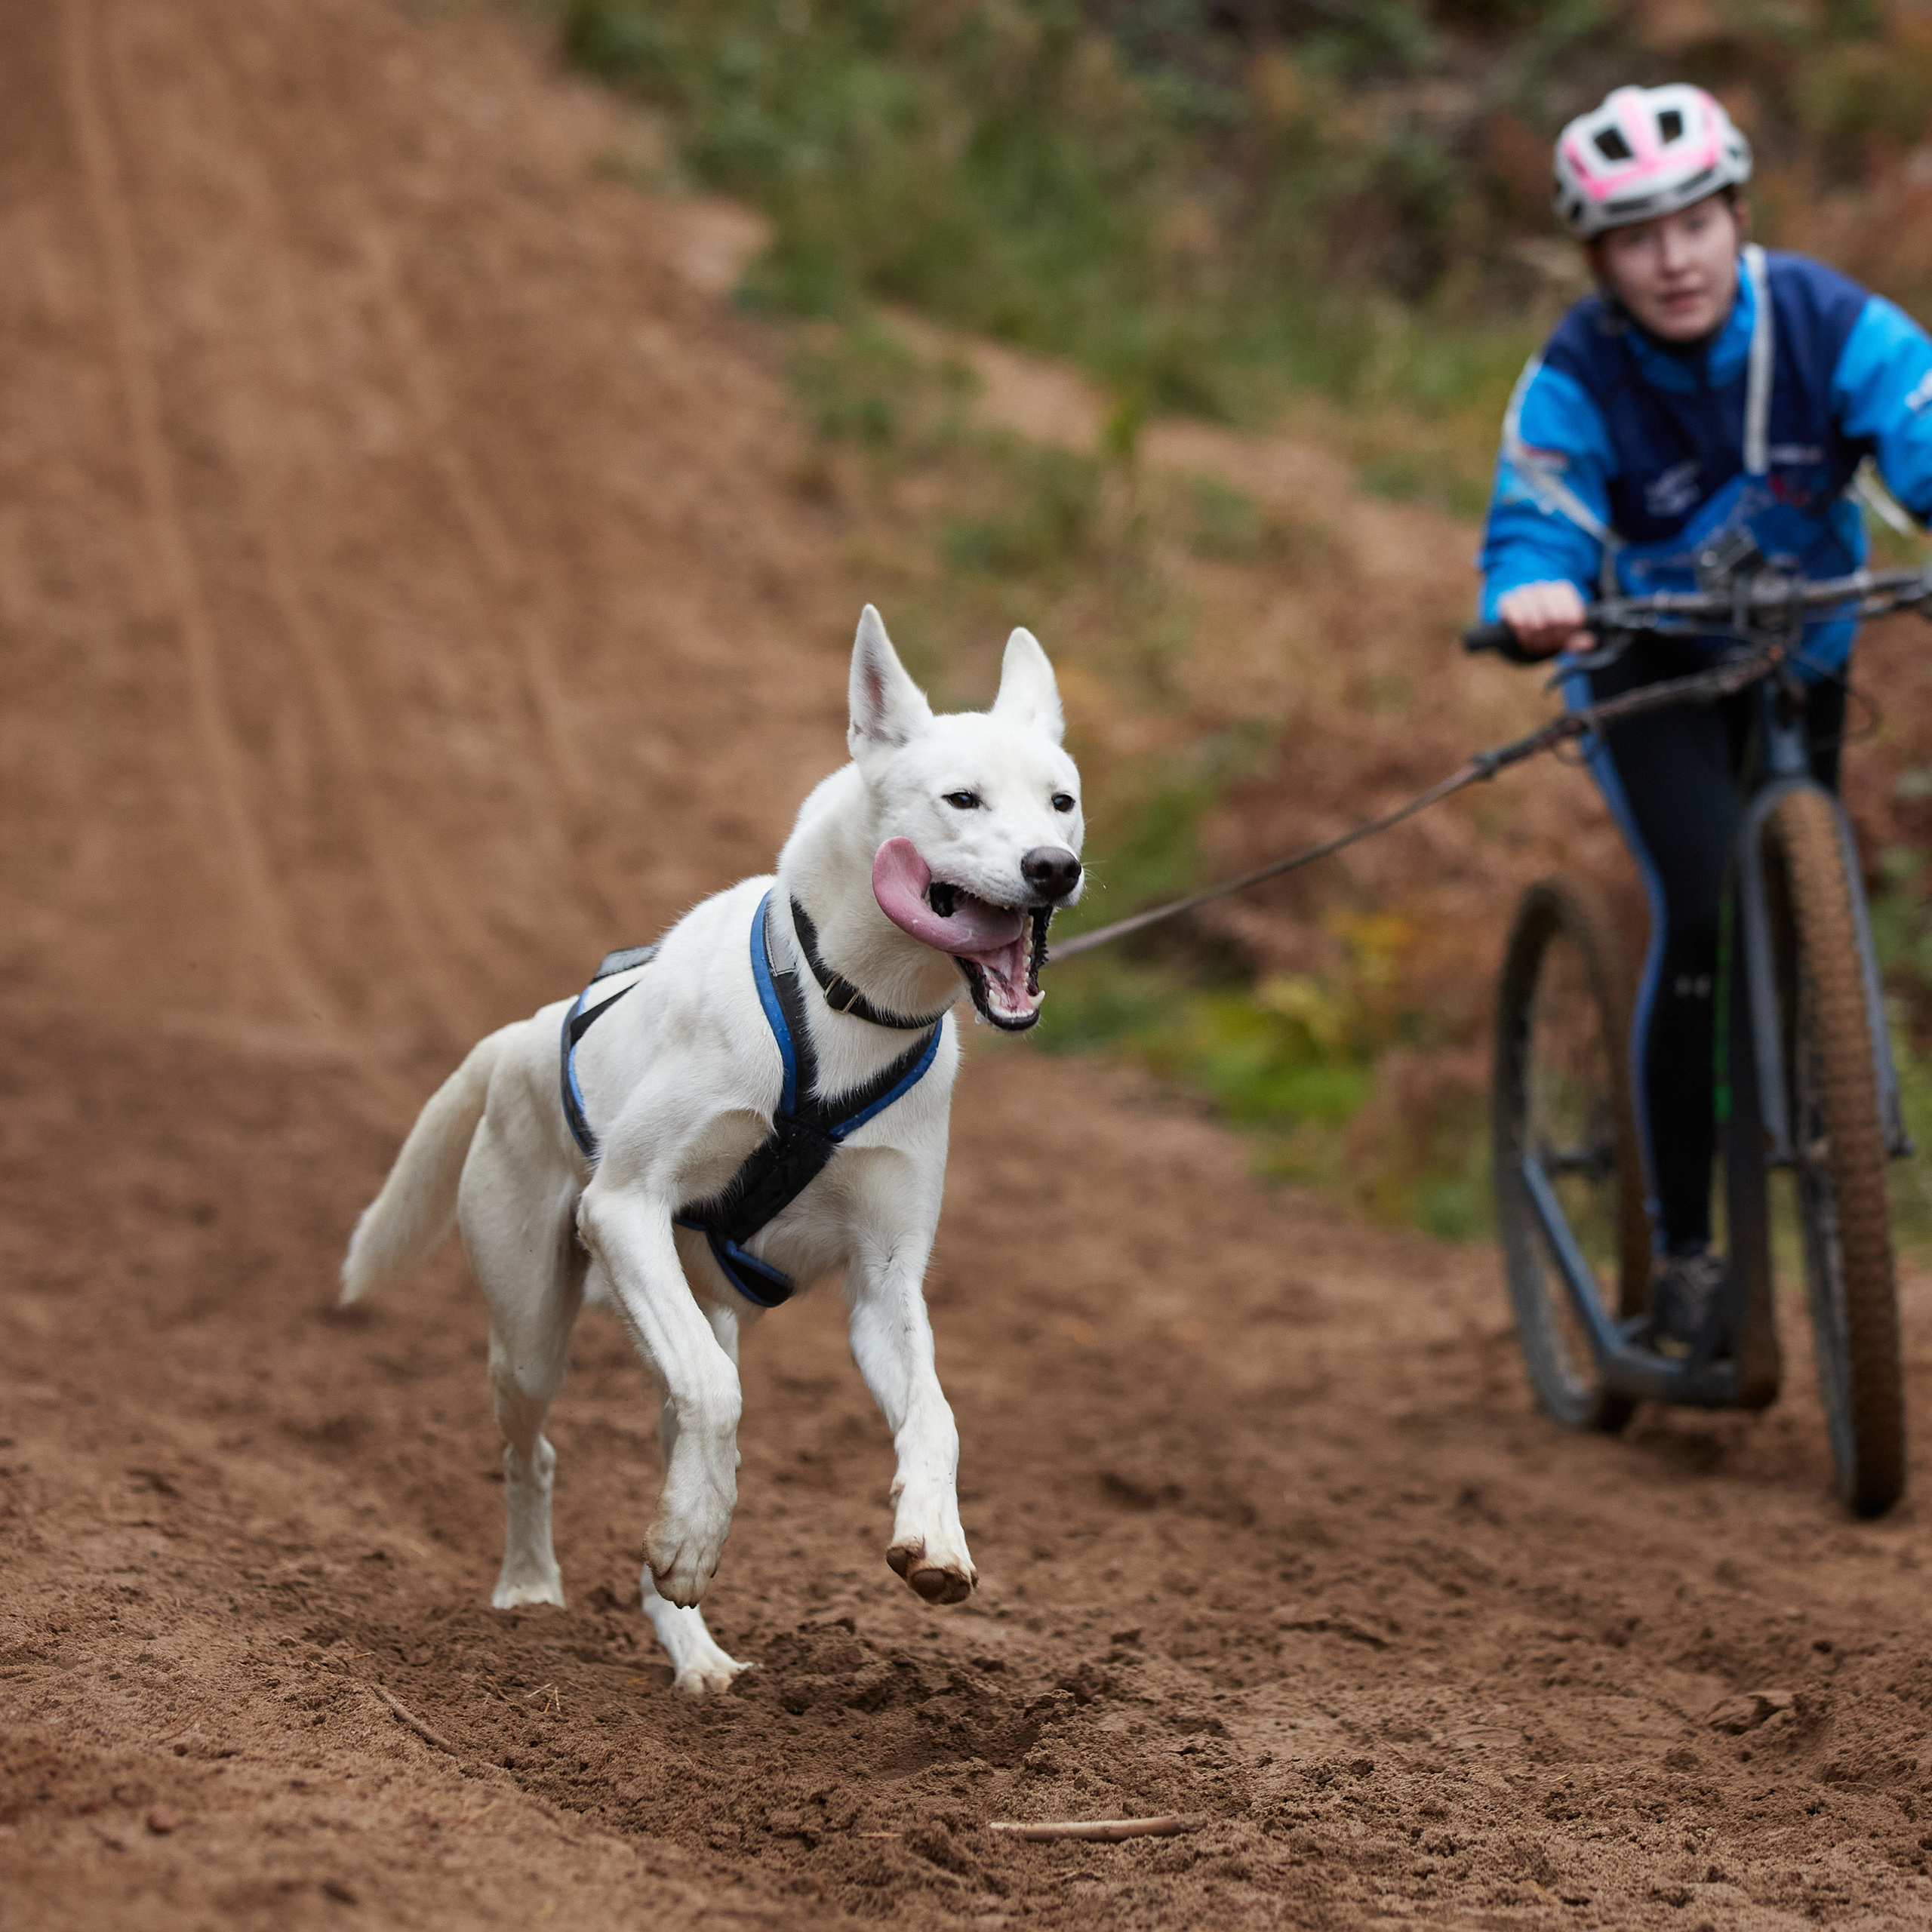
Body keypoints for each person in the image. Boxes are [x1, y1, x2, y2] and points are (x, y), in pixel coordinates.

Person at [1477, 83, 1932, 1346]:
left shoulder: (1828, 321)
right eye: (1634, 236)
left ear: (1736, 213)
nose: (1671, 259)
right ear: (1598, 256)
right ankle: (1683, 1247)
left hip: (1803, 651)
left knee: (1801, 901)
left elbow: (1921, 422)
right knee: (1706, 903)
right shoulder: (1580, 368)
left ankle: (1819, 1090)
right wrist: (1532, 591)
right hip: (1648, 669)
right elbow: (1537, 510)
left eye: (1693, 222)